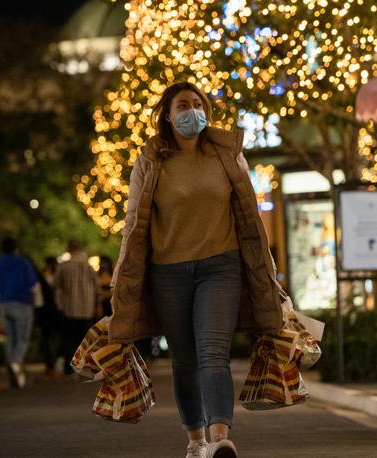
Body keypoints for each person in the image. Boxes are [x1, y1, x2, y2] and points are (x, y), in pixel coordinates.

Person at [109, 82, 282, 458]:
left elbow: (249, 213)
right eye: (183, 105)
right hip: (167, 272)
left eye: (198, 104)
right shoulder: (151, 161)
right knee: (184, 360)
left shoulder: (225, 154)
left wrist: (264, 267)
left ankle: (220, 438)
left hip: (221, 267)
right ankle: (195, 442)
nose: (192, 111)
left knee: (213, 354)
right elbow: (134, 223)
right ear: (167, 116)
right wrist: (122, 278)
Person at [0, 237, 37, 388]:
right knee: (23, 337)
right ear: (15, 247)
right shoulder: (23, 262)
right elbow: (31, 281)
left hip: (5, 302)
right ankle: (16, 363)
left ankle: (12, 367)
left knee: (10, 338)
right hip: (22, 302)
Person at [54, 240, 99, 376]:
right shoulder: (88, 266)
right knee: (85, 340)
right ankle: (85, 367)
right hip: (87, 309)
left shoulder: (63, 266)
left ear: (69, 249)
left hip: (69, 308)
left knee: (69, 339)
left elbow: (56, 285)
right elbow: (97, 288)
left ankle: (70, 368)